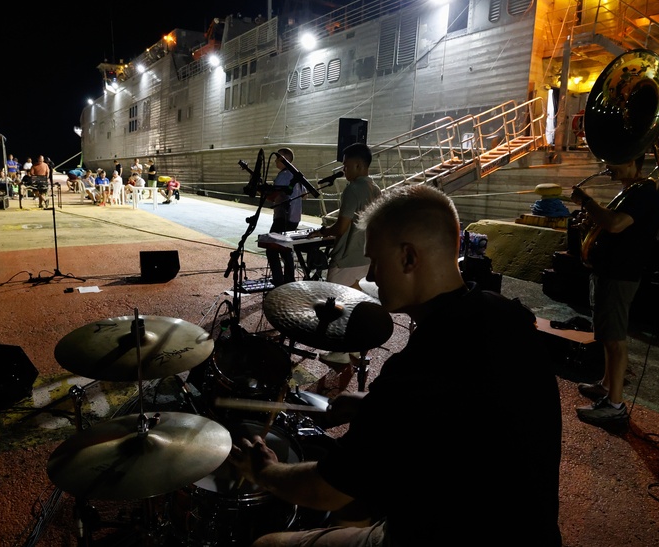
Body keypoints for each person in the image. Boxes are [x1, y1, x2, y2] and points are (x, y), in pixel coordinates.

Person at [230, 184, 562, 546]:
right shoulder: (504, 316)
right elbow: (465, 416)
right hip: (531, 530)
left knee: (267, 544)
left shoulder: (420, 366)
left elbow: (327, 490)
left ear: (408, 258)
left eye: (375, 260)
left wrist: (266, 469)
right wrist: (367, 407)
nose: (370, 276)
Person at [571, 155, 659, 425]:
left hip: (620, 275)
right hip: (607, 272)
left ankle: (615, 404)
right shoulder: (631, 192)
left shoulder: (644, 193)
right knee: (606, 334)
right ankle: (606, 385)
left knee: (614, 338)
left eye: (616, 160)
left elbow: (615, 224)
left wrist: (587, 202)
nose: (609, 166)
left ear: (634, 161)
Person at [307, 142, 381, 290]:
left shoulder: (352, 189)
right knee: (357, 308)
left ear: (358, 165)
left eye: (346, 165)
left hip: (346, 262)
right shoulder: (376, 189)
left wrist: (322, 231)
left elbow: (341, 228)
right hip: (366, 259)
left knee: (335, 306)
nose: (344, 169)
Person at [265, 147, 306, 286]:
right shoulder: (297, 174)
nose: (275, 161)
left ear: (285, 160)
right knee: (286, 248)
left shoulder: (283, 175)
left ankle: (279, 280)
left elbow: (273, 197)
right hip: (294, 218)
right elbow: (305, 194)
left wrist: (261, 190)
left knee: (271, 248)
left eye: (278, 158)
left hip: (282, 217)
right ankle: (289, 279)